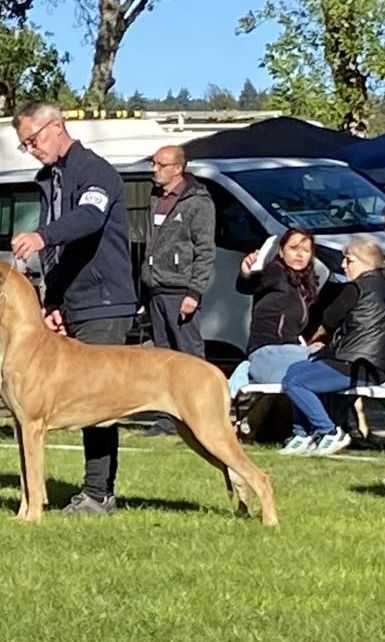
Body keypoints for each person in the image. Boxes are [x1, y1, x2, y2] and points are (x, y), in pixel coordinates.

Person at [11, 100, 136, 516]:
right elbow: (66, 256)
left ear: (56, 125)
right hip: (75, 301)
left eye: (32, 139)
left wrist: (42, 235)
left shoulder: (94, 171)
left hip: (106, 301)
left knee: (100, 402)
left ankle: (98, 494)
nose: (30, 148)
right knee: (83, 402)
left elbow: (89, 219)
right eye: (24, 144)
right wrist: (53, 299)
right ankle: (78, 492)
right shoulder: (50, 179)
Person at [281, 236, 385, 456]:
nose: (343, 265)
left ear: (366, 262)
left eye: (349, 260)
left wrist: (319, 340)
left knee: (294, 381)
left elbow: (329, 318)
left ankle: (327, 431)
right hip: (373, 365)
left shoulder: (356, 288)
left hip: (355, 363)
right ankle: (302, 435)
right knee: (297, 370)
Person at [140, 145, 215, 436]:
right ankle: (165, 417)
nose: (154, 169)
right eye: (154, 163)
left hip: (180, 289)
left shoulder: (197, 202)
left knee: (189, 355)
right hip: (156, 288)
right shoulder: (154, 198)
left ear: (177, 168)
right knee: (162, 356)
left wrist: (194, 292)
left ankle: (201, 413)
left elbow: (205, 251)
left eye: (160, 165)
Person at [229, 228, 319, 397]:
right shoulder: (275, 271)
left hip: (291, 351)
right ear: (281, 252)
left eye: (306, 250)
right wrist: (247, 272)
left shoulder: (305, 284)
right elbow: (247, 286)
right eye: (293, 248)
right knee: (317, 368)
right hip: (268, 350)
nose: (300, 254)